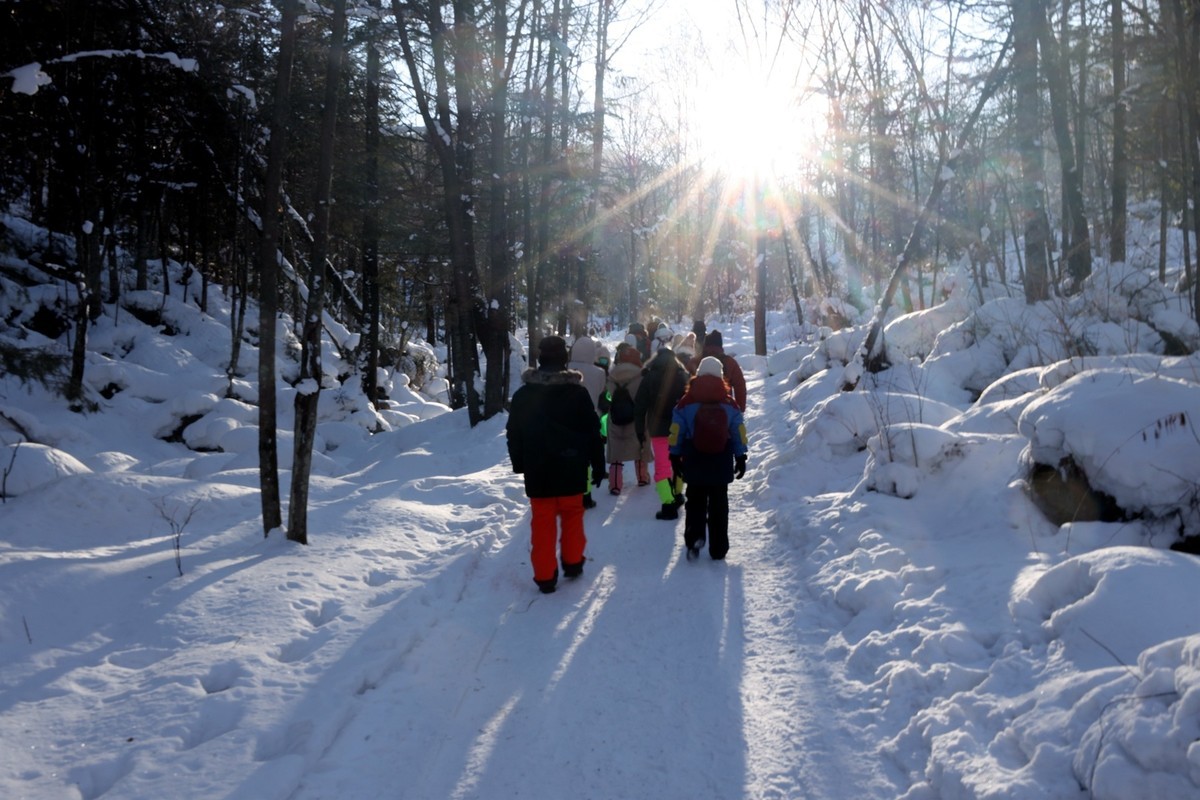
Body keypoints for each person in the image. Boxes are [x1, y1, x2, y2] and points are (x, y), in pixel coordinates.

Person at [507, 335, 606, 594]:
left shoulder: (523, 395)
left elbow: (513, 433)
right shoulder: (577, 393)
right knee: (573, 515)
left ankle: (544, 577)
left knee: (542, 521)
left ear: (540, 359)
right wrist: (598, 464)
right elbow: (593, 431)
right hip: (572, 467)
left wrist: (520, 463)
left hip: (538, 470)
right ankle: (573, 564)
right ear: (565, 359)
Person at [669, 356, 748, 561]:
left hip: (694, 456)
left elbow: (677, 430)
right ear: (720, 375)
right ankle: (719, 547)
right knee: (719, 502)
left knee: (695, 500)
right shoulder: (729, 403)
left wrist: (674, 454)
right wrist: (741, 455)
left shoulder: (686, 402)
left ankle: (694, 538)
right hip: (721, 458)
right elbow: (738, 430)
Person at [635, 343, 689, 519]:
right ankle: (678, 494)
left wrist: (639, 430)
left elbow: (640, 406)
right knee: (678, 462)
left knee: (662, 467)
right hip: (679, 428)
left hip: (658, 429)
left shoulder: (649, 377)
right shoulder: (682, 376)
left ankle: (668, 504)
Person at [602, 344, 651, 495]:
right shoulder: (641, 375)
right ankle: (642, 477)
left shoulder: (612, 374)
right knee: (640, 445)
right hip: (637, 416)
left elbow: (607, 394)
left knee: (615, 449)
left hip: (616, 415)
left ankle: (615, 484)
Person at [568, 336, 608, 509]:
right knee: (586, 458)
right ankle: (585, 495)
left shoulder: (565, 369)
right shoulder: (599, 372)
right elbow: (602, 394)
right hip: (591, 417)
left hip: (567, 418)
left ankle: (568, 491)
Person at [687, 329, 747, 413]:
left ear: (705, 345)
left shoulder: (695, 361)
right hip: (724, 411)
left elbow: (686, 382)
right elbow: (740, 385)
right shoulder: (730, 362)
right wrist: (739, 410)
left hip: (697, 411)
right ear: (721, 347)